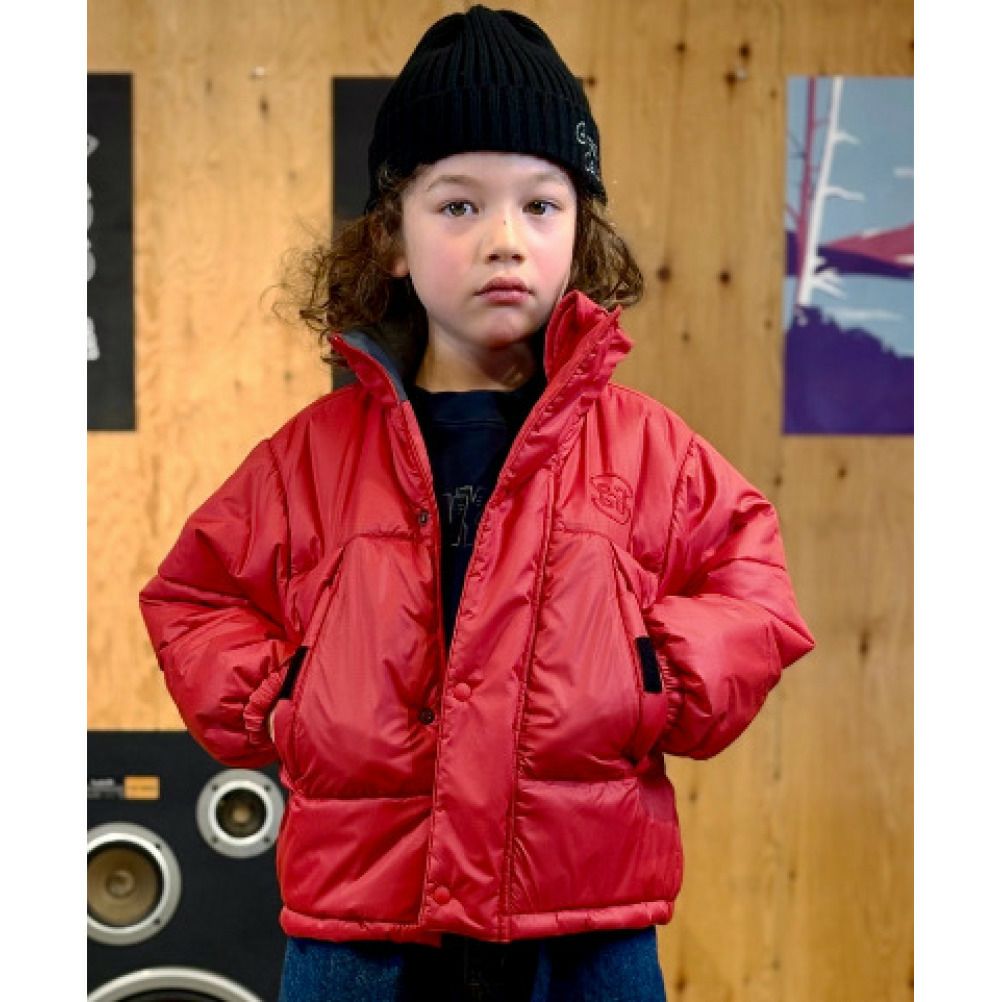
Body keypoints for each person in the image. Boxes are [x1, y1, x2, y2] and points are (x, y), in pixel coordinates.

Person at [139, 6, 815, 1001]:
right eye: (458, 206)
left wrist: (652, 674)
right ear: (393, 239)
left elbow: (752, 591)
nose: (505, 239)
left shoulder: (647, 451)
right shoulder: (310, 459)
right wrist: (286, 694)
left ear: (580, 233)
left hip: (583, 920)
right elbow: (194, 600)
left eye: (541, 205)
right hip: (360, 928)